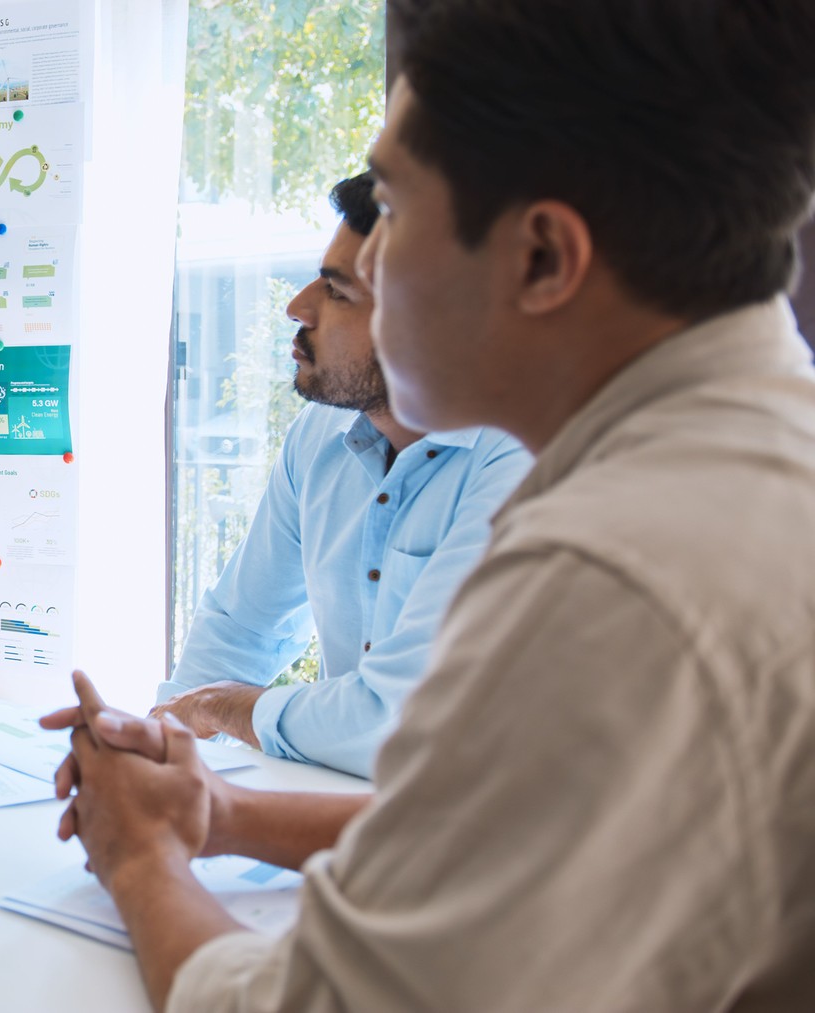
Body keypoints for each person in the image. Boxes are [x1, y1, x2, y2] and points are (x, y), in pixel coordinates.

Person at [46, 0, 815, 1009]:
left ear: (541, 255)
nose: (363, 266)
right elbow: (507, 828)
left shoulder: (607, 575)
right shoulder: (746, 454)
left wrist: (143, 856)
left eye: (394, 211)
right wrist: (219, 809)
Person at [152, 171, 529, 778]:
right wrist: (156, 743)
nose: (297, 307)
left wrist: (219, 708)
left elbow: (395, 717)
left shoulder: (517, 462)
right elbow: (245, 624)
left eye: (337, 291)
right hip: (351, 815)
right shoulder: (321, 436)